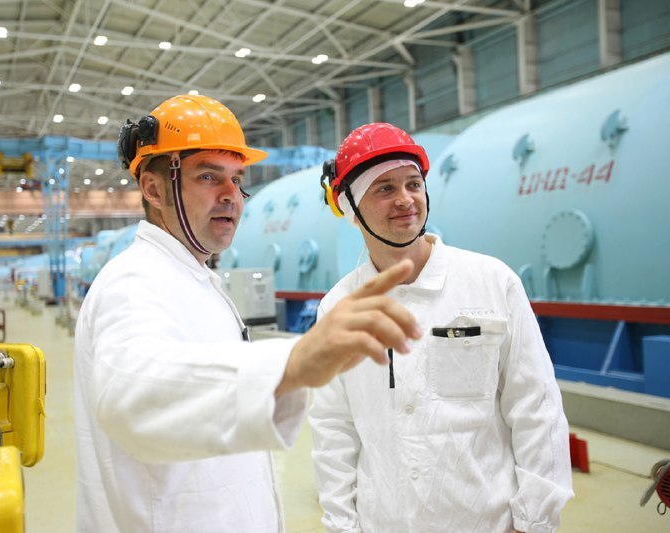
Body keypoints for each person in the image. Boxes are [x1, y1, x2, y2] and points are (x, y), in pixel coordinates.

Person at [73, 95, 422, 532]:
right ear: (154, 189)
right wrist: (292, 362)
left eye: (237, 179)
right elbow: (131, 395)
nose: (231, 196)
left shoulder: (192, 279)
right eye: (208, 176)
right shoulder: (133, 284)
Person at [310, 123, 574, 533]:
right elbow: (333, 429)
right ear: (350, 207)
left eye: (413, 184)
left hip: (487, 523)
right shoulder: (338, 308)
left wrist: (535, 521)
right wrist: (342, 525)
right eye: (384, 188)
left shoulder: (492, 283)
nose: (405, 199)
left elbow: (536, 407)